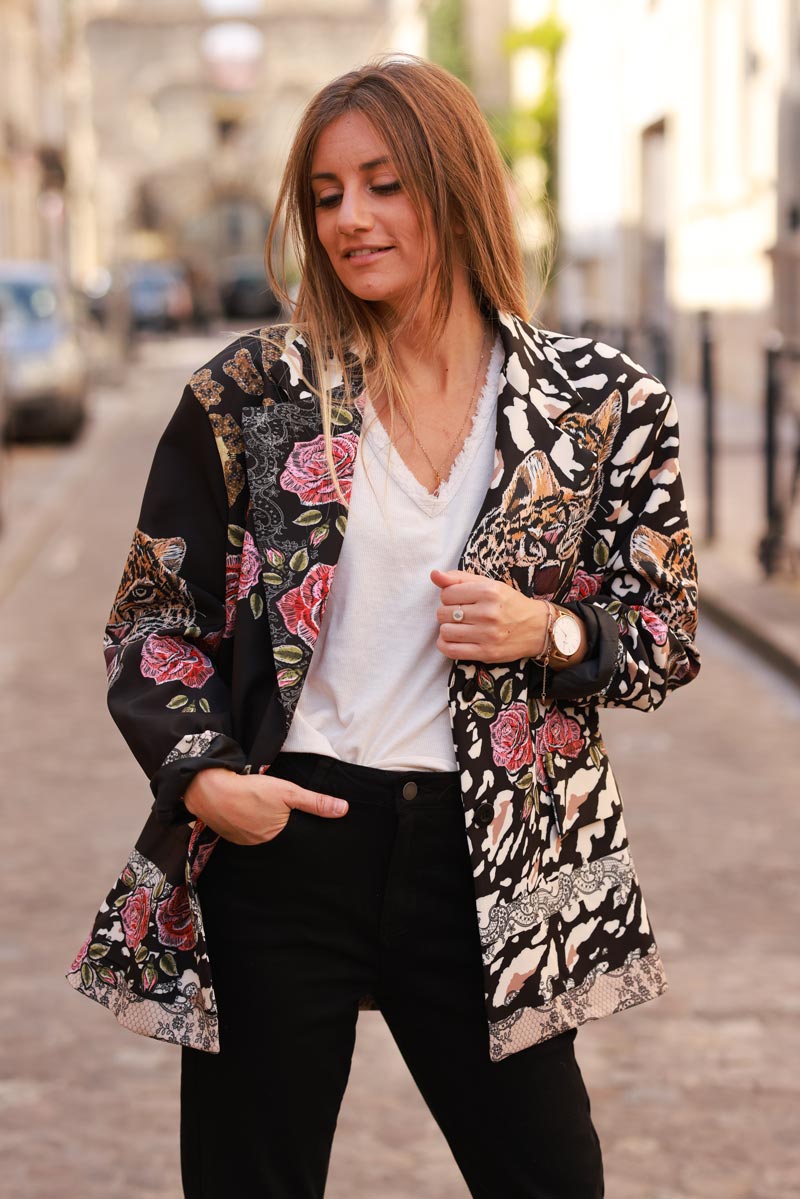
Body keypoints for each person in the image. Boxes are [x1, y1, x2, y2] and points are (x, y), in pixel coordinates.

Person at [68, 55, 701, 1199]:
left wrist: (547, 630)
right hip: (285, 837)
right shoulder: (253, 392)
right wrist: (203, 777)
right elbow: (153, 616)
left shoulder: (596, 403)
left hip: (487, 853)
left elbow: (664, 629)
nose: (350, 218)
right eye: (325, 193)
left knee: (549, 1177)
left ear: (452, 187)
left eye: (382, 183)